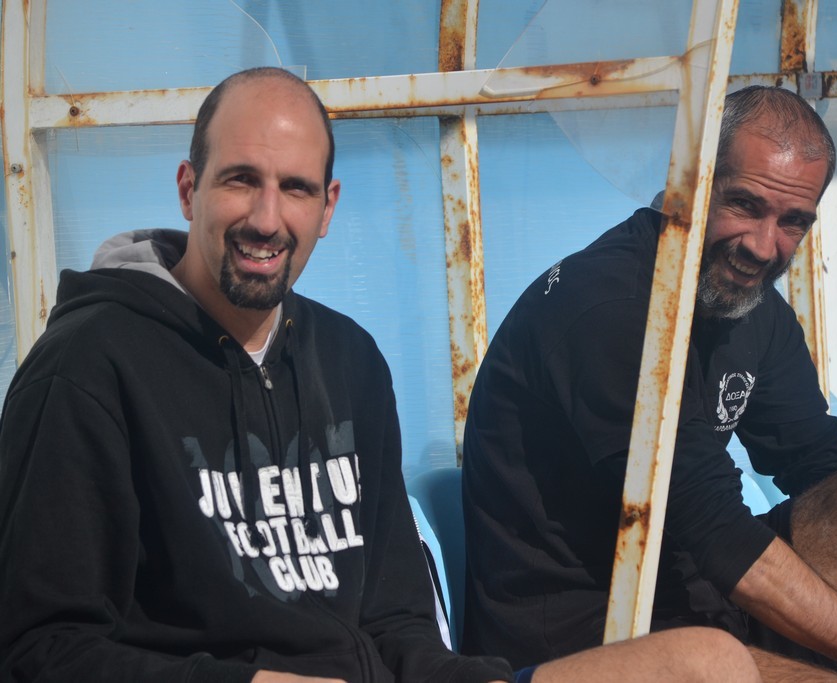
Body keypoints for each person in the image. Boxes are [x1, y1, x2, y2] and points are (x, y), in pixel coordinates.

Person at [461, 85, 837, 682]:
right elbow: (717, 533)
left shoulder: (753, 308)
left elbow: (824, 471)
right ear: (690, 182)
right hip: (588, 639)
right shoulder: (608, 310)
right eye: (745, 205)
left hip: (700, 600)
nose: (763, 246)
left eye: (793, 222)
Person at [0, 67, 517, 683]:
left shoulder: (352, 361)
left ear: (327, 207)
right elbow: (38, 649)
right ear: (188, 189)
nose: (267, 220)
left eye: (296, 188)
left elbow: (396, 620)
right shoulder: (85, 368)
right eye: (241, 179)